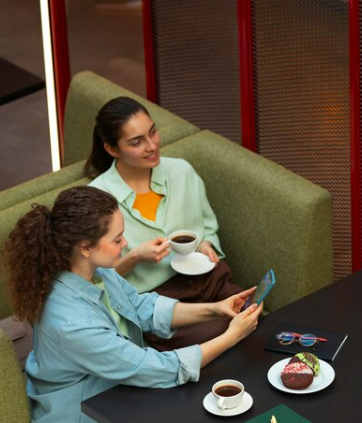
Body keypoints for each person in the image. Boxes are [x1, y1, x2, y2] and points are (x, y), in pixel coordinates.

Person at [3, 186, 262, 423]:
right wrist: (232, 336)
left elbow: (141, 307)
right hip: (84, 410)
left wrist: (216, 309)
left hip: (116, 386)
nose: (125, 244)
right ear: (85, 247)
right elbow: (153, 368)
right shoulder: (71, 323)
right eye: (117, 239)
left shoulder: (95, 271)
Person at [85, 97, 243, 350]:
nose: (152, 146)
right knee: (225, 332)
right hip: (159, 301)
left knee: (252, 313)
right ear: (113, 149)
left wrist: (206, 243)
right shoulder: (97, 200)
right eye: (137, 142)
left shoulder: (182, 171)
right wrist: (135, 257)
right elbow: (95, 281)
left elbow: (208, 226)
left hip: (210, 279)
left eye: (153, 132)